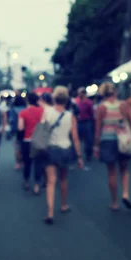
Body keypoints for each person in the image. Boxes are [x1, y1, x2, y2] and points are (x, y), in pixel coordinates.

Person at [40, 86, 83, 224]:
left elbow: (42, 131)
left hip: (50, 149)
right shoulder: (70, 116)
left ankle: (50, 213)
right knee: (63, 179)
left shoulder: (47, 112)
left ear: (54, 98)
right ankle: (63, 205)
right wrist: (79, 156)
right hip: (65, 149)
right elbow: (75, 138)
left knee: (51, 181)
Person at [94, 82, 131, 211]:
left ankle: (114, 202)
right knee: (124, 169)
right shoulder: (124, 105)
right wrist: (130, 134)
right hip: (123, 140)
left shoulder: (101, 107)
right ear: (115, 92)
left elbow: (98, 129)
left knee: (111, 172)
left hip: (107, 140)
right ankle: (125, 193)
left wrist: (96, 147)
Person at [17, 92, 44, 194]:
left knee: (27, 163)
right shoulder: (42, 111)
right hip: (39, 140)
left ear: (27, 100)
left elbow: (20, 128)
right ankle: (37, 185)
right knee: (38, 163)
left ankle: (27, 181)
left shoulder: (23, 113)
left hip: (27, 141)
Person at [76, 87, 95, 165]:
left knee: (88, 140)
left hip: (87, 122)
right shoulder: (77, 102)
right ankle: (78, 155)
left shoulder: (89, 103)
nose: (79, 94)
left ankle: (88, 154)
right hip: (79, 122)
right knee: (77, 139)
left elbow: (91, 113)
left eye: (80, 93)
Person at [10, 95, 27, 170]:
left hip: (16, 131)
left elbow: (11, 121)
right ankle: (23, 161)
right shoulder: (26, 109)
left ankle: (17, 163)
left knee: (17, 148)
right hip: (25, 130)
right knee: (24, 147)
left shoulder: (13, 110)